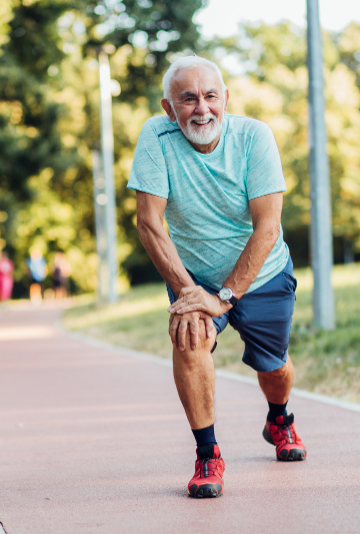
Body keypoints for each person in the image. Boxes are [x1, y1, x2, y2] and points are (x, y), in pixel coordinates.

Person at [128, 55, 305, 499]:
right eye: (187, 99)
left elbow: (268, 227)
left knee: (275, 366)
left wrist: (224, 297)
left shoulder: (254, 137)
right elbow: (150, 224)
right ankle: (208, 454)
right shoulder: (156, 136)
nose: (201, 108)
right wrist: (192, 294)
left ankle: (279, 418)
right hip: (195, 276)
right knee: (189, 337)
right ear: (169, 108)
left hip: (261, 273)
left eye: (210, 96)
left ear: (226, 99)